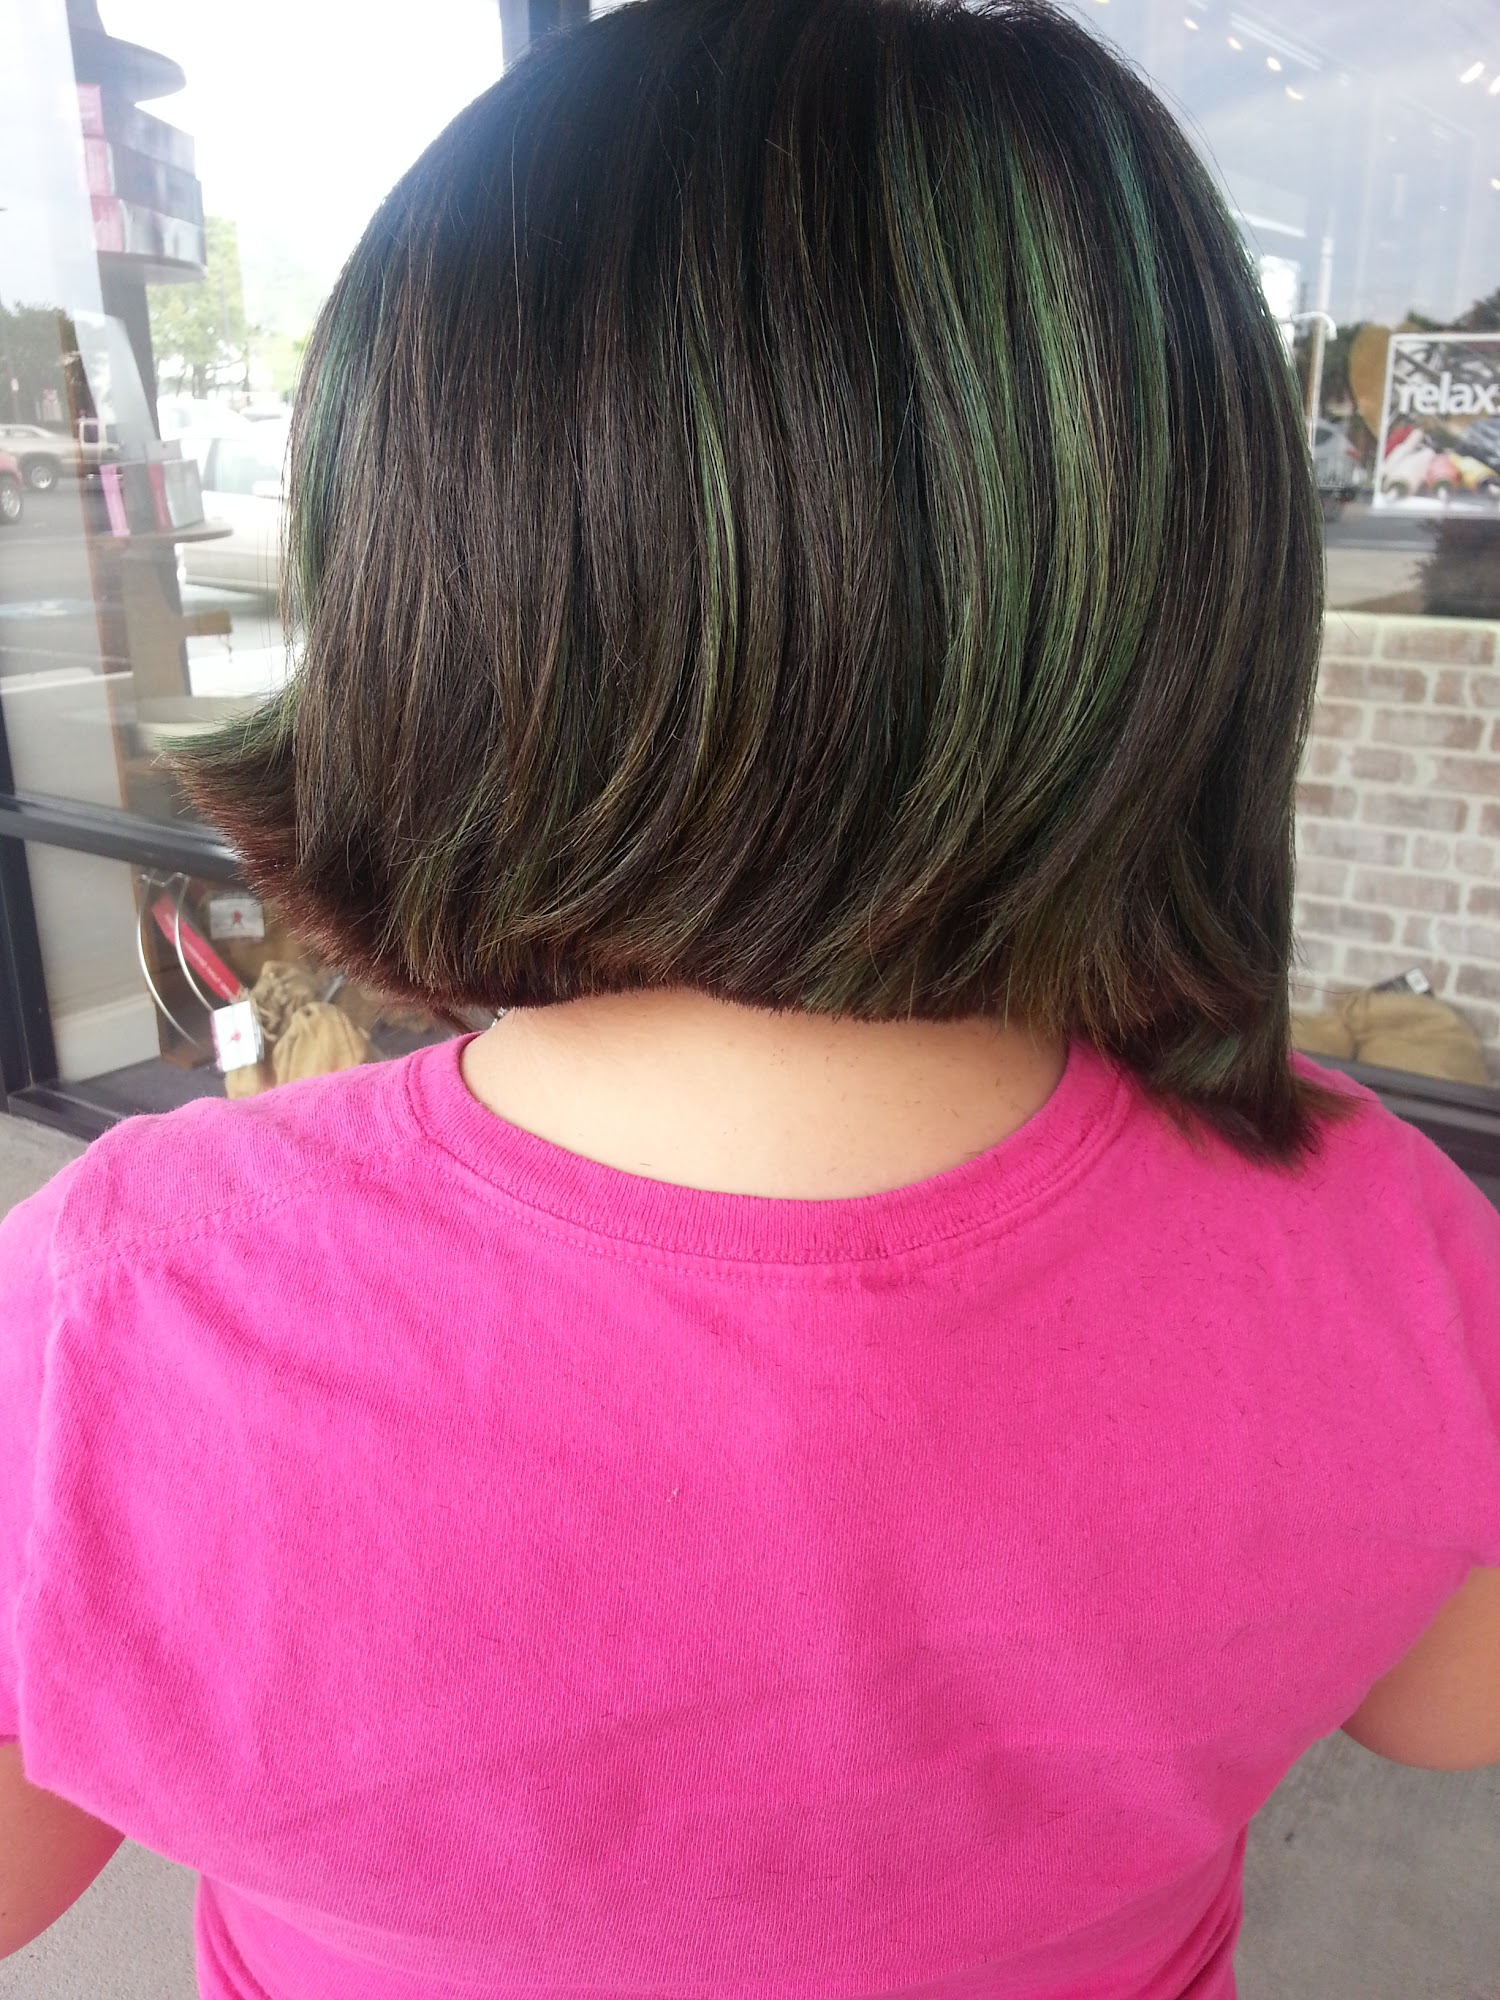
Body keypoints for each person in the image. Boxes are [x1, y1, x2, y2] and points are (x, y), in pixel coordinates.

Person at [4, 0, 1500, 1993]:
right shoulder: (1386, 1251)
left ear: (418, 595)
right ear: (1201, 614)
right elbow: (1447, 1709)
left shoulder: (120, 1316)